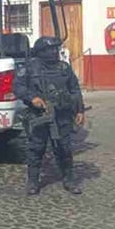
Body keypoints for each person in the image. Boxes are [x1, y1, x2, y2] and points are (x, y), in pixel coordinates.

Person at [14, 36, 86, 196]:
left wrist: (80, 110)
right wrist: (32, 98)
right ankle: (33, 181)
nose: (54, 52)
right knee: (36, 148)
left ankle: (69, 180)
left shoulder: (64, 68)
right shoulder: (30, 67)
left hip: (62, 116)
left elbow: (74, 89)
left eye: (55, 49)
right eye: (50, 49)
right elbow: (18, 87)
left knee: (64, 148)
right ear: (41, 51)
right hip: (39, 115)